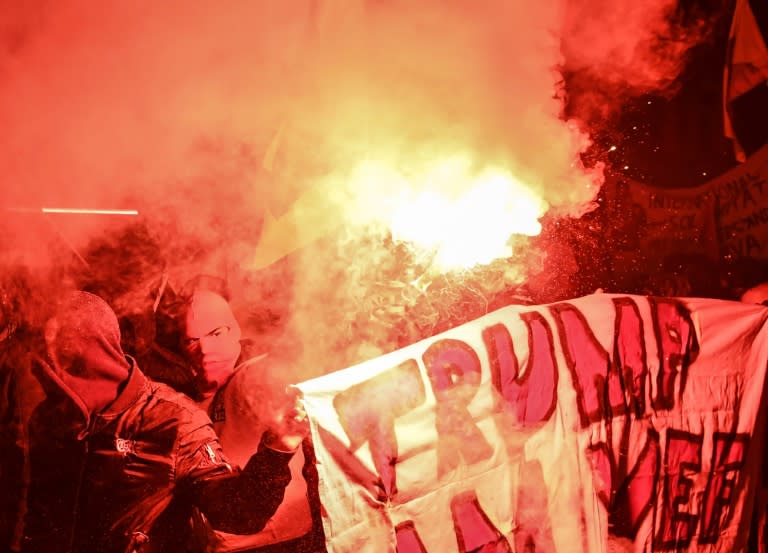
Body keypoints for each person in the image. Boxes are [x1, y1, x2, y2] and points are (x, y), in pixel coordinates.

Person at [0, 290, 307, 553]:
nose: (41, 388)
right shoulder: (55, 421)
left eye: (47, 373)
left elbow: (239, 512)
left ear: (86, 361)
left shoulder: (173, 421)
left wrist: (278, 448)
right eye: (191, 341)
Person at [180, 288, 325, 553]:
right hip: (229, 541)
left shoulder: (258, 374)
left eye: (216, 333)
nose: (204, 349)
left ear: (234, 330)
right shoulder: (196, 396)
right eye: (191, 340)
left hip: (281, 540)